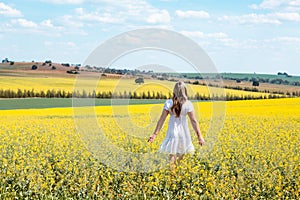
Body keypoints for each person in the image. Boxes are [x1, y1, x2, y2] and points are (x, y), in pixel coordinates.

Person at [148, 81, 205, 167]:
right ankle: (178, 177)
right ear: (185, 91)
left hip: (172, 132)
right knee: (180, 160)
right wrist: (199, 136)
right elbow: (193, 121)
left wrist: (155, 134)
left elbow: (162, 119)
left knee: (172, 156)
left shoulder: (168, 103)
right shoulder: (188, 104)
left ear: (174, 91)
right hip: (184, 133)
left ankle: (172, 177)